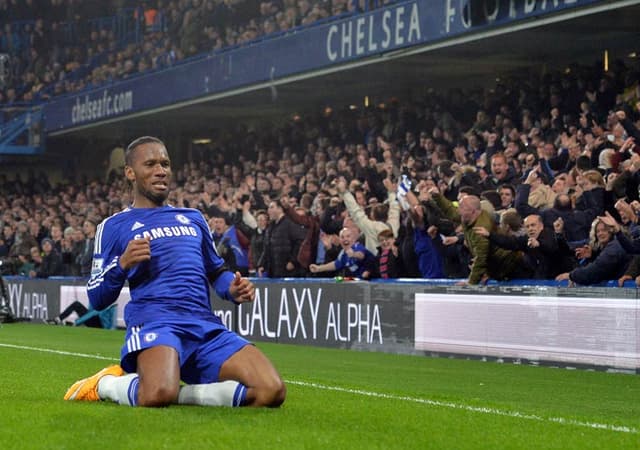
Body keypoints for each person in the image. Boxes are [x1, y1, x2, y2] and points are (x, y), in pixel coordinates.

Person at [64, 136, 285, 408]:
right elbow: (97, 298)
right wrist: (122, 264)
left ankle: (178, 390)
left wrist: (232, 288)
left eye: (165, 164)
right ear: (130, 173)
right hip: (157, 323)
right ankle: (106, 383)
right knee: (157, 395)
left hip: (204, 326)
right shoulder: (114, 226)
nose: (161, 170)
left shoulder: (193, 218)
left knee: (270, 391)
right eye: (151, 164)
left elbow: (216, 273)